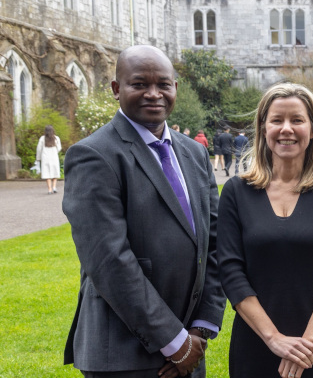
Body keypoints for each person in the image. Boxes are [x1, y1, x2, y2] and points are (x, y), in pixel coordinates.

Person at [62, 45, 226, 378]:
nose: (154, 94)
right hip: (124, 355)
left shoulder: (194, 154)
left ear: (175, 89)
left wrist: (198, 332)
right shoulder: (94, 155)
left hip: (191, 348)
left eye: (163, 84)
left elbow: (216, 244)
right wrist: (173, 341)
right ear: (116, 89)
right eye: (139, 84)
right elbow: (109, 261)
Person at [218, 82, 313, 378]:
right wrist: (274, 339)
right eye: (277, 120)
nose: (286, 129)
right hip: (255, 345)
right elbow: (231, 271)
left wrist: (306, 344)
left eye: (297, 120)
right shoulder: (236, 191)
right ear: (263, 128)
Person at [36, 124, 62, 194]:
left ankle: (49, 189)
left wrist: (38, 158)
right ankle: (54, 187)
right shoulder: (56, 138)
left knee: (47, 173)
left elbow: (39, 149)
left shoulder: (42, 139)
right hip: (54, 157)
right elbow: (59, 148)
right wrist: (55, 152)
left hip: (45, 158)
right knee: (55, 172)